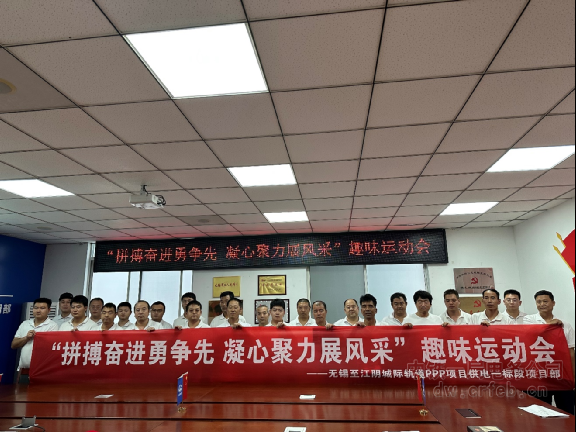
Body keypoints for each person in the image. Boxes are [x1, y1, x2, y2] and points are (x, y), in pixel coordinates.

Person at [524, 290, 575, 415]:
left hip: (561, 374)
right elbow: (530, 334)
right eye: (539, 302)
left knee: (567, 410)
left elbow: (571, 352)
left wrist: (573, 376)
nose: (542, 304)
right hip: (539, 375)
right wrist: (549, 326)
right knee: (541, 411)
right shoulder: (528, 320)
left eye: (545, 301)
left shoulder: (565, 325)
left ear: (553, 303)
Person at [11, 298, 58, 370]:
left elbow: (51, 347)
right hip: (23, 368)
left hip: (42, 369)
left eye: (42, 308)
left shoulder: (53, 326)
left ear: (49, 310)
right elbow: (14, 345)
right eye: (36, 308)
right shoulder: (25, 323)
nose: (38, 311)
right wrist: (26, 338)